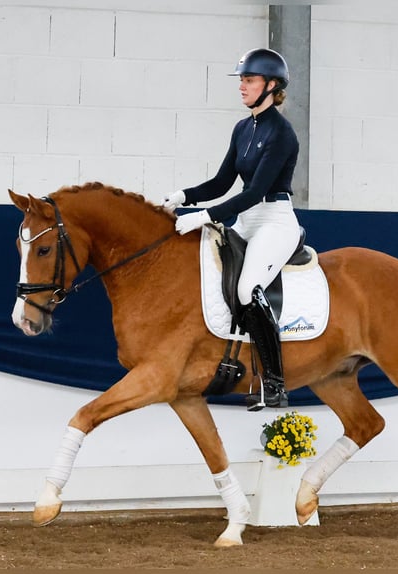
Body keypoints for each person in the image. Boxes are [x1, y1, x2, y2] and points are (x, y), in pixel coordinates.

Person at [163, 48, 301, 411]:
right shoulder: (243, 128)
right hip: (246, 218)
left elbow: (255, 192)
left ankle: (274, 382)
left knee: (246, 288)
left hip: (274, 220)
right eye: (241, 79)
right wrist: (184, 196)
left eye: (249, 80)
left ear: (271, 86)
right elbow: (223, 182)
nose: (242, 86)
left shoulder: (282, 134)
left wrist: (205, 216)